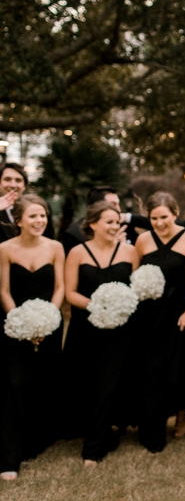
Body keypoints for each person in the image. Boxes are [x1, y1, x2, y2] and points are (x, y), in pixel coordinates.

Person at [63, 201, 140, 466]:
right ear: (92, 223)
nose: (114, 226)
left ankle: (92, 449)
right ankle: (102, 432)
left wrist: (118, 306)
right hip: (85, 329)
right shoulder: (76, 252)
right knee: (86, 382)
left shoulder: (130, 252)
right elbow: (69, 292)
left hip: (121, 331)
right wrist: (98, 305)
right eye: (108, 221)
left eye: (117, 222)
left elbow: (137, 289)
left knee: (108, 384)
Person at [0, 196, 65, 481]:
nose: (40, 221)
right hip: (15, 326)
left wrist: (48, 318)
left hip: (48, 324)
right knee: (14, 385)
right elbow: (3, 290)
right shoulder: (4, 249)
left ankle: (36, 440)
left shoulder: (55, 247)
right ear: (18, 220)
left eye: (43, 216)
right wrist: (20, 322)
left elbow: (61, 286)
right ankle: (9, 456)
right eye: (33, 216)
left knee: (43, 381)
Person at [132, 192, 185, 451]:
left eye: (164, 217)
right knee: (149, 373)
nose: (159, 223)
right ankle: (151, 431)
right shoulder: (141, 240)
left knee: (174, 372)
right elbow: (135, 277)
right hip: (148, 314)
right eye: (154, 218)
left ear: (175, 213)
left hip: (177, 314)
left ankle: (180, 414)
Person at [0, 162, 55, 243]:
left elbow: (49, 239)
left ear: (24, 185)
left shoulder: (41, 207)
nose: (13, 185)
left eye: (18, 180)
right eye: (7, 179)